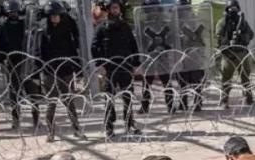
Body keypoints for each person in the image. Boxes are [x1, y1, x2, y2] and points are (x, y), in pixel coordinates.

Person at [91, 0, 141, 137]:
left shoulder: (125, 26)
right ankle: (109, 127)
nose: (115, 10)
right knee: (109, 98)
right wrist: (100, 64)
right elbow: (94, 47)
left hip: (125, 66)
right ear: (109, 10)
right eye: (113, 8)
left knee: (127, 96)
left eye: (117, 8)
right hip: (109, 68)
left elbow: (133, 45)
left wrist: (136, 63)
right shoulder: (102, 27)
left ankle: (129, 124)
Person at [38, 1, 83, 142]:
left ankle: (77, 129)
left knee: (69, 101)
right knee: (51, 104)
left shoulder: (67, 30)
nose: (54, 17)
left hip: (66, 70)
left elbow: (73, 51)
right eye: (52, 15)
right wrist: (38, 71)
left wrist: (78, 70)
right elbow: (39, 53)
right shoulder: (44, 32)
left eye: (57, 15)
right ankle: (50, 132)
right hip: (50, 72)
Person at [0, 0, 41, 129]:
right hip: (11, 63)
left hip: (26, 62)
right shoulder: (3, 28)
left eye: (15, 12)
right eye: (11, 12)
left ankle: (36, 118)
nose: (13, 14)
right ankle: (15, 119)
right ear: (7, 13)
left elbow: (32, 41)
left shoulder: (24, 26)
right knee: (14, 93)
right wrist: (2, 60)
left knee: (32, 92)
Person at [138, 0, 176, 114]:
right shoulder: (143, 24)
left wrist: (164, 47)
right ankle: (145, 105)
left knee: (166, 80)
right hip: (148, 56)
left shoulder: (164, 23)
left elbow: (171, 38)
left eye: (154, 9)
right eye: (150, 10)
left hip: (162, 55)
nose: (152, 12)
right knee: (147, 81)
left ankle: (170, 105)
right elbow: (140, 40)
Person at [215, 0, 254, 109]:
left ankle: (249, 99)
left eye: (235, 8)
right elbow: (218, 37)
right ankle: (224, 101)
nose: (233, 10)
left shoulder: (242, 22)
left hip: (241, 53)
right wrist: (228, 42)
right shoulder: (222, 22)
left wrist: (242, 37)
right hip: (228, 54)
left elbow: (251, 34)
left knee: (245, 78)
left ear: (238, 9)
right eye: (231, 8)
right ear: (227, 9)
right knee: (226, 79)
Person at [174, 0, 206, 112]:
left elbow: (200, 40)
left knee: (195, 81)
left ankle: (197, 103)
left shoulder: (194, 23)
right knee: (183, 81)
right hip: (182, 57)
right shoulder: (176, 24)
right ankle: (184, 103)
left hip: (193, 56)